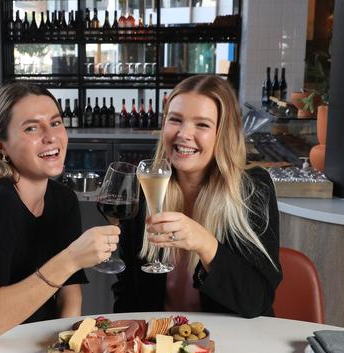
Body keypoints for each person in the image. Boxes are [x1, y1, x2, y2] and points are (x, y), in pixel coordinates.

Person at [0, 82, 119, 343]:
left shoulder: (63, 200)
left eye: (56, 123)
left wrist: (66, 347)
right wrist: (70, 259)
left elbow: (70, 296)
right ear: (1, 145)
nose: (51, 136)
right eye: (31, 128)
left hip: (34, 348)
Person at [113, 75, 282, 318]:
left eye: (202, 124)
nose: (184, 134)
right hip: (158, 344)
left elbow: (257, 301)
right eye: (175, 120)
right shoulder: (144, 187)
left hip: (231, 342)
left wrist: (205, 244)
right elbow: (126, 289)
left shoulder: (252, 188)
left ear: (222, 134)